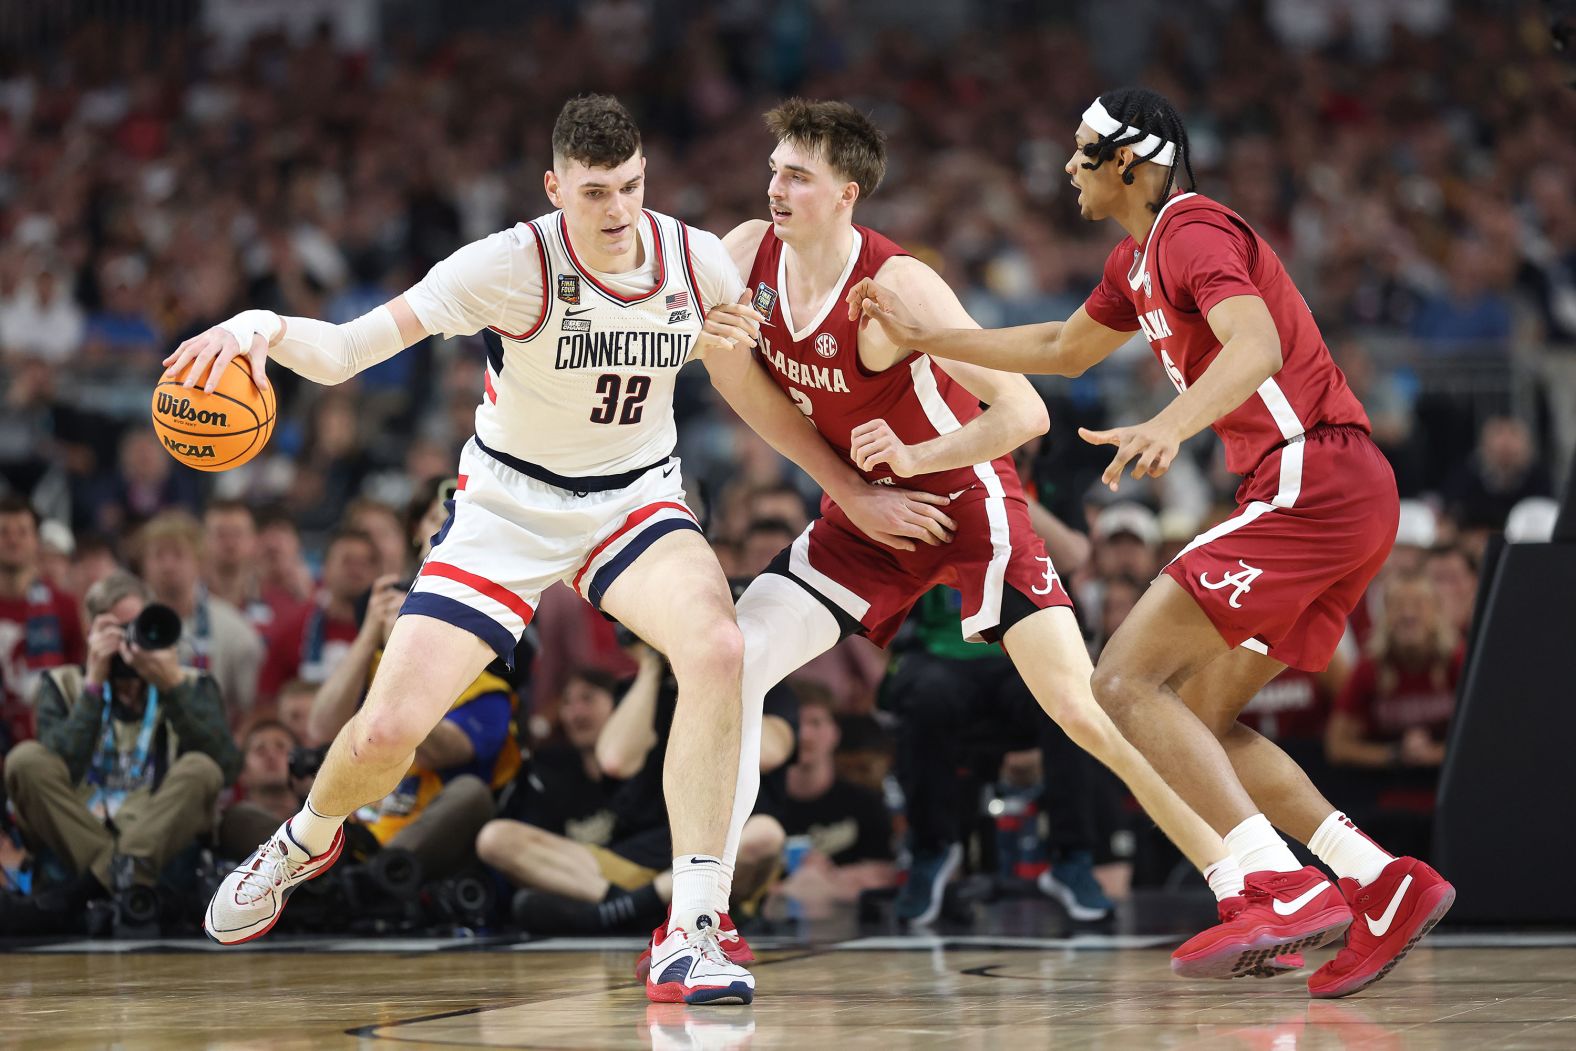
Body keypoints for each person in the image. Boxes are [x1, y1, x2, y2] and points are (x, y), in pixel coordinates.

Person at [170, 95, 944, 1005]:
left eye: (630, 186)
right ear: (554, 188)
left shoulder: (695, 259)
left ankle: (692, 925)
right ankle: (304, 836)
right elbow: (346, 350)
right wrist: (255, 329)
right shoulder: (508, 264)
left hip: (635, 498)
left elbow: (757, 385)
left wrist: (848, 479)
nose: (617, 210)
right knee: (384, 733)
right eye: (594, 193)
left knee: (720, 647)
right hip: (508, 508)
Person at [849, 87, 1453, 997]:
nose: (1068, 166)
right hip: (1329, 493)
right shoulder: (1137, 259)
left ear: (1131, 161)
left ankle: (1276, 884)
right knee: (1199, 719)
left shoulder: (1190, 230)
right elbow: (1062, 346)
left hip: (1310, 479)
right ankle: (1376, 880)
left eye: (1083, 150)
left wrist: (1169, 423)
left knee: (1122, 679)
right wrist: (929, 337)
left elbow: (1250, 346)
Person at [707, 99, 1237, 959]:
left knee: (1081, 705)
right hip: (864, 509)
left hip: (964, 500)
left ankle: (1239, 878)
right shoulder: (742, 257)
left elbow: (1024, 415)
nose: (774, 187)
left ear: (846, 194)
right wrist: (857, 489)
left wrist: (914, 464)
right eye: (773, 169)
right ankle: (705, 913)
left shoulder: (898, 287)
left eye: (796, 175)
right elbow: (746, 391)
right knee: (730, 664)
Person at [479, 641, 793, 942]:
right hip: (638, 858)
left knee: (766, 834)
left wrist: (717, 679)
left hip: (717, 859)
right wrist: (651, 669)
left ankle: (624, 911)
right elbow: (615, 760)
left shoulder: (771, 691)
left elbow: (768, 753)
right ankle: (639, 908)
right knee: (495, 838)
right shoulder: (637, 691)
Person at [1, 571, 240, 933]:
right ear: (91, 631)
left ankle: (86, 892)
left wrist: (171, 685)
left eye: (138, 626)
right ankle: (126, 882)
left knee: (201, 768)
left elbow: (226, 767)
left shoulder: (192, 683)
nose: (132, 642)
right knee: (24, 760)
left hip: (161, 838)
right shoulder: (63, 683)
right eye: (118, 630)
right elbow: (60, 767)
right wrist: (94, 685)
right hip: (78, 831)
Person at [133, 511, 265, 726]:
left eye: (178, 555)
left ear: (199, 562)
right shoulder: (130, 624)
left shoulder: (234, 629)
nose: (168, 565)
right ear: (143, 566)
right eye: (158, 555)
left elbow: (250, 707)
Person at [0, 496, 85, 754]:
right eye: (3, 532)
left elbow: (77, 681)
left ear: (36, 542)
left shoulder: (64, 606)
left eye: (23, 532)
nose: (13, 540)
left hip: (49, 745)